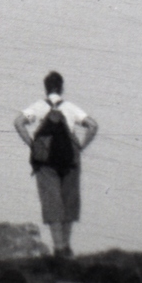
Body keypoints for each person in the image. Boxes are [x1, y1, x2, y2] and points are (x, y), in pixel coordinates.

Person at [14, 71, 98, 257]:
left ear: (45, 88)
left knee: (52, 201)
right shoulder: (70, 107)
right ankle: (67, 246)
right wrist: (81, 147)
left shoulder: (37, 106)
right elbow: (93, 125)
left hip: (45, 161)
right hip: (70, 159)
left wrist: (32, 145)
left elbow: (18, 123)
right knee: (69, 201)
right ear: (62, 88)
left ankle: (58, 247)